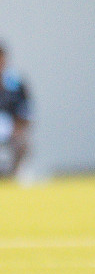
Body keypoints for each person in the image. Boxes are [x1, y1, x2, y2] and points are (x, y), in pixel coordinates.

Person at [0, 41, 32, 178]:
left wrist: (17, 130)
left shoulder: (17, 83)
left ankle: (13, 176)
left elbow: (26, 114)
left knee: (22, 143)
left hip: (9, 128)